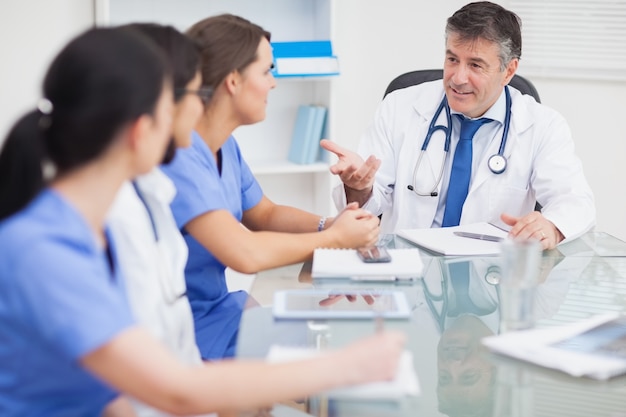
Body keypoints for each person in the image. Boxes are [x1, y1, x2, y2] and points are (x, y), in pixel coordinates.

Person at [0, 27, 406, 417]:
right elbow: (172, 390)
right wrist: (345, 366)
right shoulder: (46, 250)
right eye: (186, 100)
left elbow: (111, 389)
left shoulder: (108, 217)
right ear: (143, 131)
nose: (196, 112)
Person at [161, 13, 381, 360]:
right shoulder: (180, 156)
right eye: (266, 71)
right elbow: (246, 254)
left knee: (346, 339)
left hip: (218, 310)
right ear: (233, 80)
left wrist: (330, 225)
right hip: (179, 329)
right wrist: (334, 240)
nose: (273, 83)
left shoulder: (224, 147)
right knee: (340, 362)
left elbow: (264, 213)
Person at [320, 1, 595, 251]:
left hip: (489, 278)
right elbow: (368, 206)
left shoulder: (542, 125)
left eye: (475, 65)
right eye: (452, 59)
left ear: (508, 71)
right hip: (408, 268)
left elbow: (575, 200)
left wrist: (551, 226)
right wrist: (359, 186)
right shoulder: (400, 107)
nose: (458, 77)